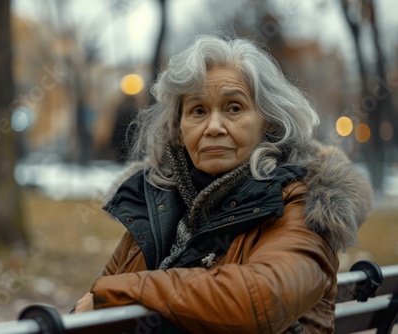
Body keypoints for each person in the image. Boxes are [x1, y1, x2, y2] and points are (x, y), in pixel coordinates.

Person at [73, 33, 373, 333]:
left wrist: (124, 290)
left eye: (233, 108)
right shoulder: (155, 201)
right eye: (198, 111)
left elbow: (260, 300)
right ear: (178, 128)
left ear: (268, 121)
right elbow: (89, 308)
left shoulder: (300, 202)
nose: (213, 127)